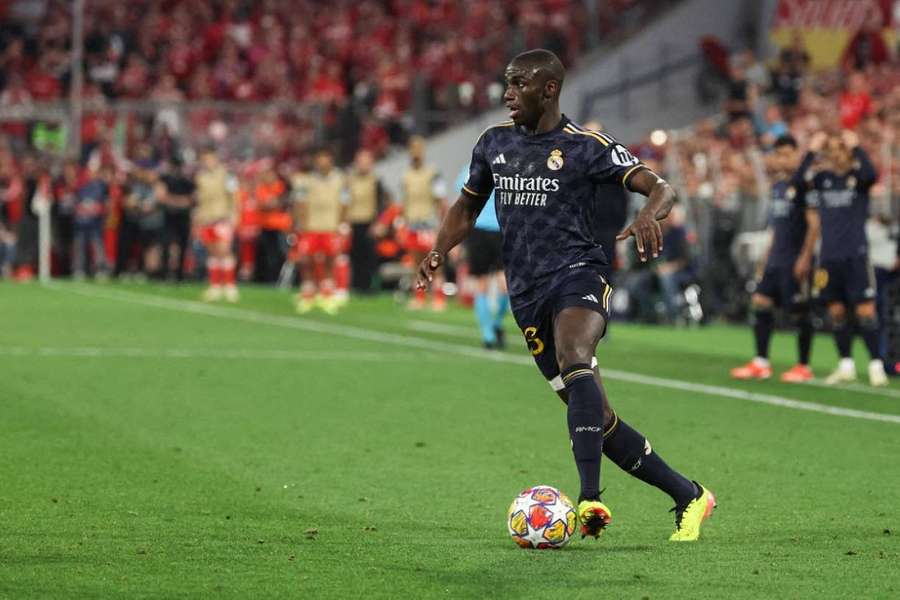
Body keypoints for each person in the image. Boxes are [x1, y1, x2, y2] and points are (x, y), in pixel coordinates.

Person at [416, 49, 714, 542]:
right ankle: (689, 495)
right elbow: (467, 207)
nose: (507, 94)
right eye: (506, 84)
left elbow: (659, 186)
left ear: (549, 88)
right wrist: (437, 249)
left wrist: (648, 215)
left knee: (575, 353)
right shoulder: (493, 144)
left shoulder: (585, 145)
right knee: (595, 416)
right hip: (527, 293)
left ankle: (590, 497)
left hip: (579, 273)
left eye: (518, 84)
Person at [731, 135, 819, 382]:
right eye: (779, 154)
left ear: (797, 155)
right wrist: (765, 259)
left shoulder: (805, 186)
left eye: (787, 154)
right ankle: (761, 362)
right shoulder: (778, 186)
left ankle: (804, 365)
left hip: (795, 258)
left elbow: (814, 225)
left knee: (799, 312)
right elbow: (776, 228)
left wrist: (804, 258)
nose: (782, 159)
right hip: (776, 259)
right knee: (760, 302)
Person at [807, 130, 888, 386]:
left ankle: (876, 365)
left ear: (848, 153)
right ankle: (846, 365)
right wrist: (811, 151)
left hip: (856, 255)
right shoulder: (823, 179)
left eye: (841, 149)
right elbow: (799, 183)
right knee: (837, 311)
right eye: (832, 150)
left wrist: (857, 146)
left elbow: (872, 175)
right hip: (829, 257)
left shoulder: (858, 178)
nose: (836, 154)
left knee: (865, 311)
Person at [454, 165, 509, 349]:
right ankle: (490, 331)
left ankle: (492, 329)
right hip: (488, 231)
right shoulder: (503, 167)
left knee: (498, 284)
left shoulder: (471, 170)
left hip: (496, 230)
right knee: (491, 283)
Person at [290, 148, 348, 315]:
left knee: (330, 262)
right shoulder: (305, 180)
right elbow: (299, 202)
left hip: (330, 227)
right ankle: (308, 294)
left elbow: (344, 203)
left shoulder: (340, 180)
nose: (323, 161)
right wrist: (300, 222)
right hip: (311, 227)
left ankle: (327, 295)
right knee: (306, 262)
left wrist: (342, 223)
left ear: (331, 160)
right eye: (319, 158)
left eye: (326, 158)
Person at [401, 136, 447, 311]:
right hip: (413, 224)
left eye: (419, 149)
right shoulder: (406, 175)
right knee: (417, 264)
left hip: (429, 224)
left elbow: (441, 200)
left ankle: (439, 298)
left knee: (435, 264)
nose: (416, 153)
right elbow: (405, 201)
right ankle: (419, 297)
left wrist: (441, 225)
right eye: (413, 149)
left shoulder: (433, 173)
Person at [194, 147, 239, 302]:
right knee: (212, 252)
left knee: (224, 250)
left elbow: (234, 196)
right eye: (204, 159)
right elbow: (200, 199)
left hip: (222, 217)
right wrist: (198, 218)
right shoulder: (200, 177)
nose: (207, 162)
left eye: (209, 158)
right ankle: (215, 286)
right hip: (206, 218)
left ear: (216, 158)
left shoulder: (227, 174)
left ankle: (230, 285)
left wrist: (234, 215)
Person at [347, 149, 389, 294]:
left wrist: (379, 223)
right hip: (354, 222)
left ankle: (371, 286)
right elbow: (345, 202)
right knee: (355, 255)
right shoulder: (350, 180)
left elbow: (382, 203)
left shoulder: (375, 180)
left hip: (370, 222)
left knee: (370, 256)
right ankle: (356, 285)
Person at [157, 159, 195, 282]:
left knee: (182, 246)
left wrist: (172, 200)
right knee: (166, 245)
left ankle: (178, 273)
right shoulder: (165, 179)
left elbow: (192, 200)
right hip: (169, 217)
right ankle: (165, 272)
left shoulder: (187, 182)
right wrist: (181, 201)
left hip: (181, 218)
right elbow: (162, 197)